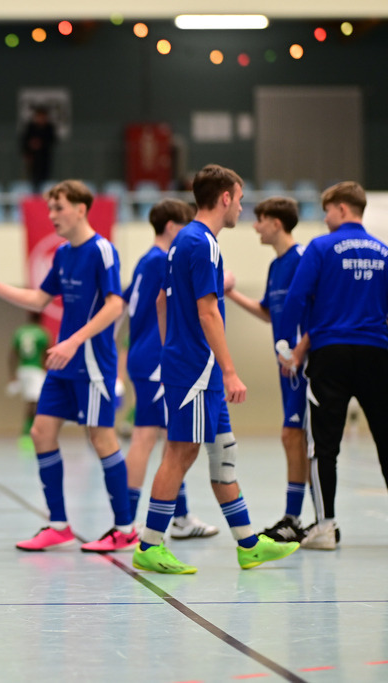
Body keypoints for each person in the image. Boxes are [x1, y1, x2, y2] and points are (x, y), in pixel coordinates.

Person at [132, 164, 300, 574]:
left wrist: (172, 347)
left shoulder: (182, 241)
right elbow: (208, 312)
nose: (242, 208)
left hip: (193, 366)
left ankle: (248, 544)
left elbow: (162, 303)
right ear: (225, 198)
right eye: (240, 199)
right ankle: (149, 545)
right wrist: (228, 370)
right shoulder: (202, 242)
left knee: (224, 452)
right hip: (195, 370)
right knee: (181, 452)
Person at [0, 180, 135, 553]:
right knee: (41, 432)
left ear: (81, 209)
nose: (52, 215)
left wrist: (74, 341)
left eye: (59, 208)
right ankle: (58, 525)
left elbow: (115, 305)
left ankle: (125, 529)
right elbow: (39, 299)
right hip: (63, 364)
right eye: (50, 209)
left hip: (92, 362)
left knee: (101, 439)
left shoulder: (102, 250)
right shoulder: (61, 254)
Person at [277, 181, 388, 550]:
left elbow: (296, 298)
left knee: (323, 445)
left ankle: (325, 526)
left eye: (327, 211)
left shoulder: (321, 247)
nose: (325, 218)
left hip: (330, 356)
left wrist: (285, 346)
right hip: (377, 354)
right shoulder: (384, 251)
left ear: (342, 208)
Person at [122, 198, 218, 539]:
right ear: (172, 227)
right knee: (146, 437)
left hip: (146, 354)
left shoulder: (145, 260)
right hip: (154, 358)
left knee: (172, 438)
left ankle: (180, 516)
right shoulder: (161, 260)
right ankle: (125, 522)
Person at [225, 197, 310, 543]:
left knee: (296, 436)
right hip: (285, 368)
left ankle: (297, 518)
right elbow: (267, 312)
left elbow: (318, 310)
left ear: (276, 223)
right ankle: (295, 518)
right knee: (294, 437)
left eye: (260, 219)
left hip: (304, 366)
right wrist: (230, 293)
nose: (255, 226)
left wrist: (300, 352)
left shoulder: (303, 258)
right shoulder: (276, 266)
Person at [9, 311, 50, 437]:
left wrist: (12, 374)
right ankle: (28, 431)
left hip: (22, 369)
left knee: (30, 401)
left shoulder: (20, 332)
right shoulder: (42, 333)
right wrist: (46, 369)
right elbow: (45, 354)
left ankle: (31, 430)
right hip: (35, 369)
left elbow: (13, 354)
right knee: (35, 402)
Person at [20, 106, 57, 192]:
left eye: (43, 116)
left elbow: (52, 140)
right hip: (33, 159)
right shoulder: (30, 127)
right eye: (39, 116)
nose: (41, 119)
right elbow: (24, 142)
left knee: (45, 178)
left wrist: (41, 144)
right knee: (33, 179)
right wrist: (30, 147)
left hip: (45, 159)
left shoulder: (49, 127)